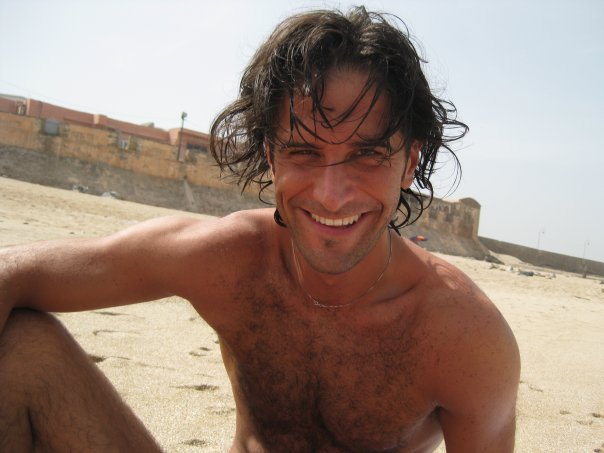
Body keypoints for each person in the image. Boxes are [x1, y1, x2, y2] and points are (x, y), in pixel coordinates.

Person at [0, 7, 520, 452]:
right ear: (271, 156)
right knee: (22, 351)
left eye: (367, 155)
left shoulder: (463, 336)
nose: (331, 194)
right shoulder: (229, 258)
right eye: (303, 152)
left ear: (408, 164)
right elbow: (15, 272)